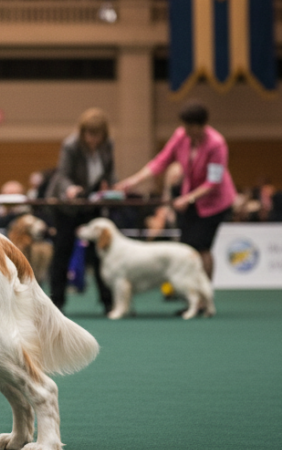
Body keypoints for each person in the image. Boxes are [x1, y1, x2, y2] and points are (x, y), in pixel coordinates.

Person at [116, 101, 236, 279]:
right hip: (190, 200)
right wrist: (133, 182)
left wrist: (188, 199)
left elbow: (213, 182)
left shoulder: (216, 144)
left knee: (201, 246)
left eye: (189, 126)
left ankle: (204, 298)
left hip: (214, 204)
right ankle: (192, 298)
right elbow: (160, 162)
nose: (185, 129)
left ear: (200, 126)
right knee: (187, 247)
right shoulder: (181, 136)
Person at [45, 107, 115, 314]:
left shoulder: (108, 145)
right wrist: (70, 189)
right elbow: (63, 174)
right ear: (83, 132)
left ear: (104, 134)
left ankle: (108, 302)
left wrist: (112, 188)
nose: (93, 139)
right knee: (62, 253)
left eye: (97, 134)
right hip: (67, 206)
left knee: (100, 253)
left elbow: (110, 173)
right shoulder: (71, 145)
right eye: (89, 134)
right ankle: (56, 304)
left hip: (91, 204)